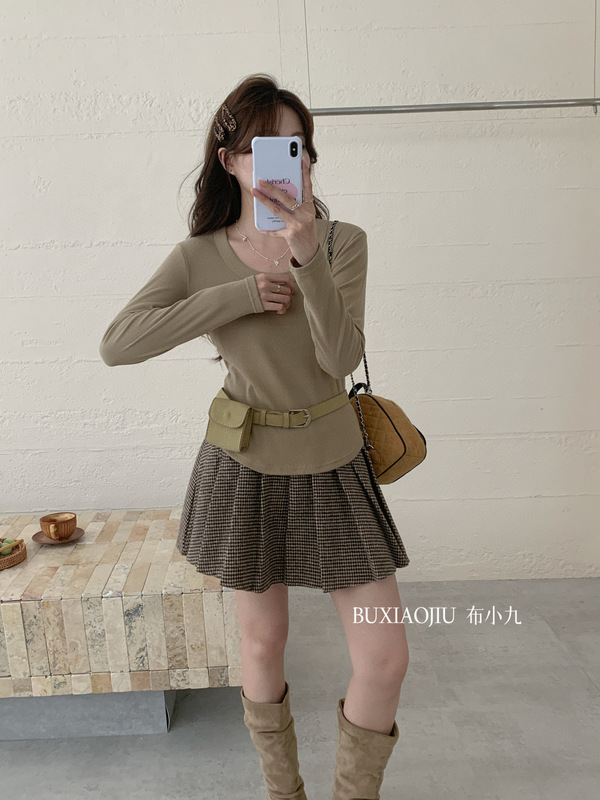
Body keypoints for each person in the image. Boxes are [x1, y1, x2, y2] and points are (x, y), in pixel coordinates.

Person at [99, 72, 410, 800]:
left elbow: (339, 358)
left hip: (334, 463)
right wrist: (234, 297)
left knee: (385, 658)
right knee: (263, 643)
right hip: (244, 467)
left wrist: (307, 260)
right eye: (266, 146)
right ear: (230, 159)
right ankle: (283, 793)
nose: (285, 161)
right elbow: (119, 343)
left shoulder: (342, 243)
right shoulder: (199, 256)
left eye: (297, 146)